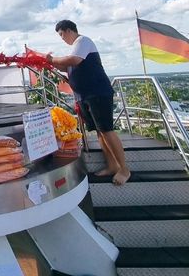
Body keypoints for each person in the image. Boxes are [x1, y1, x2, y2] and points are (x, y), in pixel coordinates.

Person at [46, 20, 131, 186]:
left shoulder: (83, 41)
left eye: (62, 34)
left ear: (69, 30)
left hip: (97, 93)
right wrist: (52, 64)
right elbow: (68, 67)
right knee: (100, 132)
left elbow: (74, 60)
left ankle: (124, 169)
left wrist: (52, 58)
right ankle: (112, 165)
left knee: (107, 130)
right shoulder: (76, 48)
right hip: (84, 96)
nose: (62, 38)